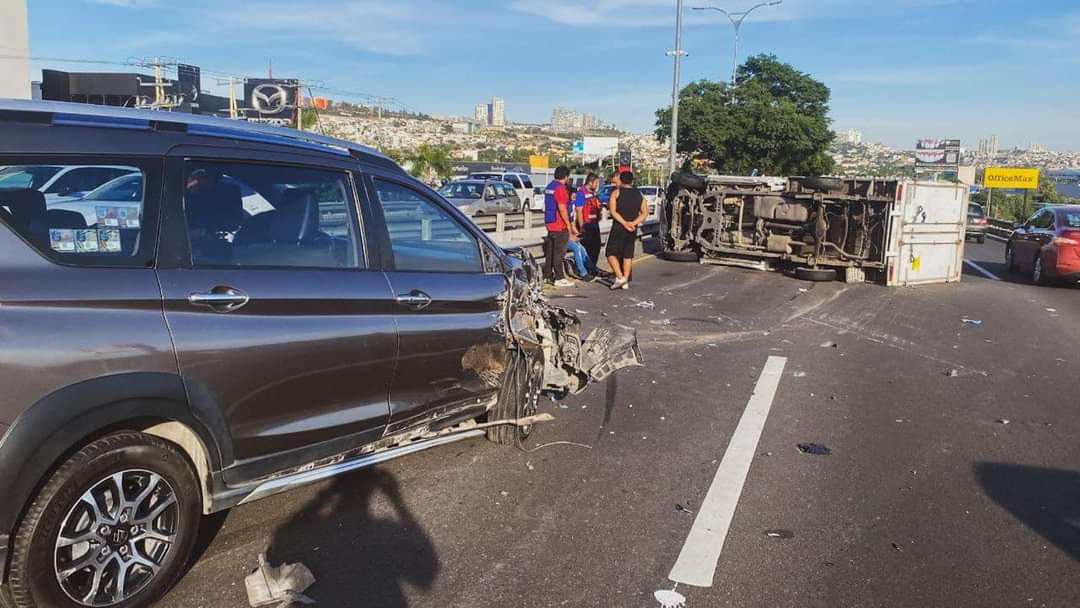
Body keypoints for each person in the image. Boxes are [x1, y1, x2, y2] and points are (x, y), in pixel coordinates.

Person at [606, 170, 648, 290]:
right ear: (632, 181)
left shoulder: (616, 193)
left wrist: (624, 223)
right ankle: (625, 280)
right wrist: (633, 223)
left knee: (610, 253)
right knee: (627, 254)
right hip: (632, 228)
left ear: (621, 180)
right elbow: (645, 213)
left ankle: (620, 278)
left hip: (619, 227)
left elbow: (613, 211)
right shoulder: (639, 194)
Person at [542, 166, 575, 287]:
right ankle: (559, 277)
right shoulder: (560, 188)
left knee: (550, 252)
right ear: (566, 177)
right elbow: (562, 208)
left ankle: (548, 276)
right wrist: (568, 225)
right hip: (559, 224)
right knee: (559, 252)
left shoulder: (549, 186)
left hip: (550, 223)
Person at [575, 172, 604, 271]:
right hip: (586, 226)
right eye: (596, 183)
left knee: (596, 247)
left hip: (595, 225)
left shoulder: (594, 194)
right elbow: (579, 210)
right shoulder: (581, 193)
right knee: (588, 249)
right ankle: (587, 268)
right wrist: (582, 226)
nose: (597, 185)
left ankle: (592, 267)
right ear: (590, 182)